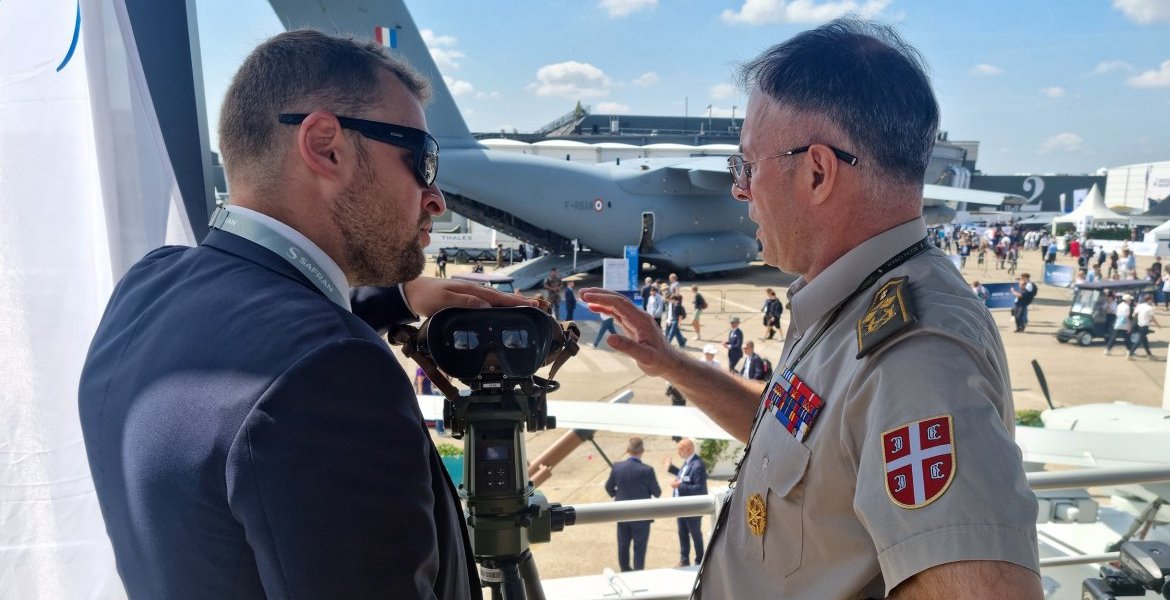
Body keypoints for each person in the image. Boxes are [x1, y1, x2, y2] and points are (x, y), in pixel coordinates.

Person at [579, 18, 1040, 599]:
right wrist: (671, 364)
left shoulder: (916, 355)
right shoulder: (854, 302)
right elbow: (796, 439)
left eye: (747, 166)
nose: (740, 190)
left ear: (818, 172)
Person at [75, 31, 545, 599]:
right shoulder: (333, 374)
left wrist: (398, 297)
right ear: (326, 146)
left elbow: (266, 335)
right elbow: (302, 375)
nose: (435, 198)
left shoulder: (152, 285)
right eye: (422, 159)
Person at [604, 437, 661, 572]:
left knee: (623, 546)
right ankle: (638, 574)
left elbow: (608, 487)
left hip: (622, 513)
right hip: (642, 515)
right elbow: (657, 492)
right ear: (642, 451)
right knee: (639, 549)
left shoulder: (617, 467)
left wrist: (615, 493)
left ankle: (625, 571)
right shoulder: (647, 470)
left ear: (627, 450)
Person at [663, 438, 708, 567]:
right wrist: (671, 468)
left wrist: (679, 486)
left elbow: (699, 489)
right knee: (682, 533)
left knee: (695, 534)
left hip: (692, 508)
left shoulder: (698, 465)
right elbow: (685, 476)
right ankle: (684, 560)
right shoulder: (688, 462)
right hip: (682, 506)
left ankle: (700, 560)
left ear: (689, 449)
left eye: (680, 449)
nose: (678, 452)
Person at [1131, 293, 1161, 359]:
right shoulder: (1149, 308)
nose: (1152, 301)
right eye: (1152, 300)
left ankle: (1149, 354)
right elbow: (1152, 318)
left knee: (1145, 341)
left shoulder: (1140, 305)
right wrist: (1158, 325)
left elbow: (1134, 314)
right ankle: (1130, 353)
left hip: (1139, 325)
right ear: (1149, 300)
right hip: (1144, 326)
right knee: (1140, 341)